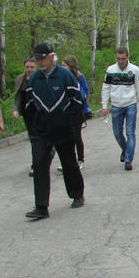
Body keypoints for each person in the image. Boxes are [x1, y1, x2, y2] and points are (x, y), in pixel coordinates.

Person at [23, 43, 85, 220]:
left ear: (52, 57)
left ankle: (77, 194)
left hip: (63, 128)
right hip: (41, 131)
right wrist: (34, 127)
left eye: (43, 58)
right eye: (37, 59)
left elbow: (77, 100)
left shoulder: (65, 76)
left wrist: (68, 119)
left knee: (69, 163)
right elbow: (29, 105)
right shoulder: (34, 79)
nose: (40, 62)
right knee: (39, 164)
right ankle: (41, 206)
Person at [101, 46, 139, 171]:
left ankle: (128, 159)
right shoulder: (110, 70)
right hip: (116, 105)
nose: (120, 61)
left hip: (130, 104)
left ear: (127, 57)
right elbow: (105, 88)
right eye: (118, 58)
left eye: (122, 58)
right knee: (117, 133)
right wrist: (104, 106)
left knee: (130, 132)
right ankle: (125, 148)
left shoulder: (134, 70)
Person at [62, 55, 88, 170]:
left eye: (64, 65)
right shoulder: (61, 78)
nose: (62, 68)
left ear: (70, 66)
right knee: (66, 137)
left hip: (78, 111)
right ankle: (68, 161)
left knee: (76, 136)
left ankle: (80, 159)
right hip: (65, 112)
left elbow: (84, 94)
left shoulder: (80, 78)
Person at [12, 57, 37, 176]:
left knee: (38, 138)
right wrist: (15, 109)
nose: (29, 69)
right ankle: (36, 164)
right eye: (27, 67)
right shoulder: (20, 79)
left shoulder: (39, 77)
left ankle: (37, 164)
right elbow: (17, 96)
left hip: (38, 112)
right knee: (33, 138)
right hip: (26, 112)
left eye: (32, 67)